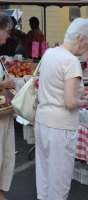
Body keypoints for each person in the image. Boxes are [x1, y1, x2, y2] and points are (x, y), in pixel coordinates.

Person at [35, 18, 88, 200]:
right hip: (60, 129)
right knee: (59, 185)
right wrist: (84, 101)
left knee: (44, 181)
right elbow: (70, 103)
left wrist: (78, 98)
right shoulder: (71, 61)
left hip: (42, 121)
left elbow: (56, 90)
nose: (87, 51)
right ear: (80, 38)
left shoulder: (49, 53)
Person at [0, 13, 16, 200]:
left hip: (5, 113)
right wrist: (4, 85)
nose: (8, 36)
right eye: (7, 32)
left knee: (5, 156)